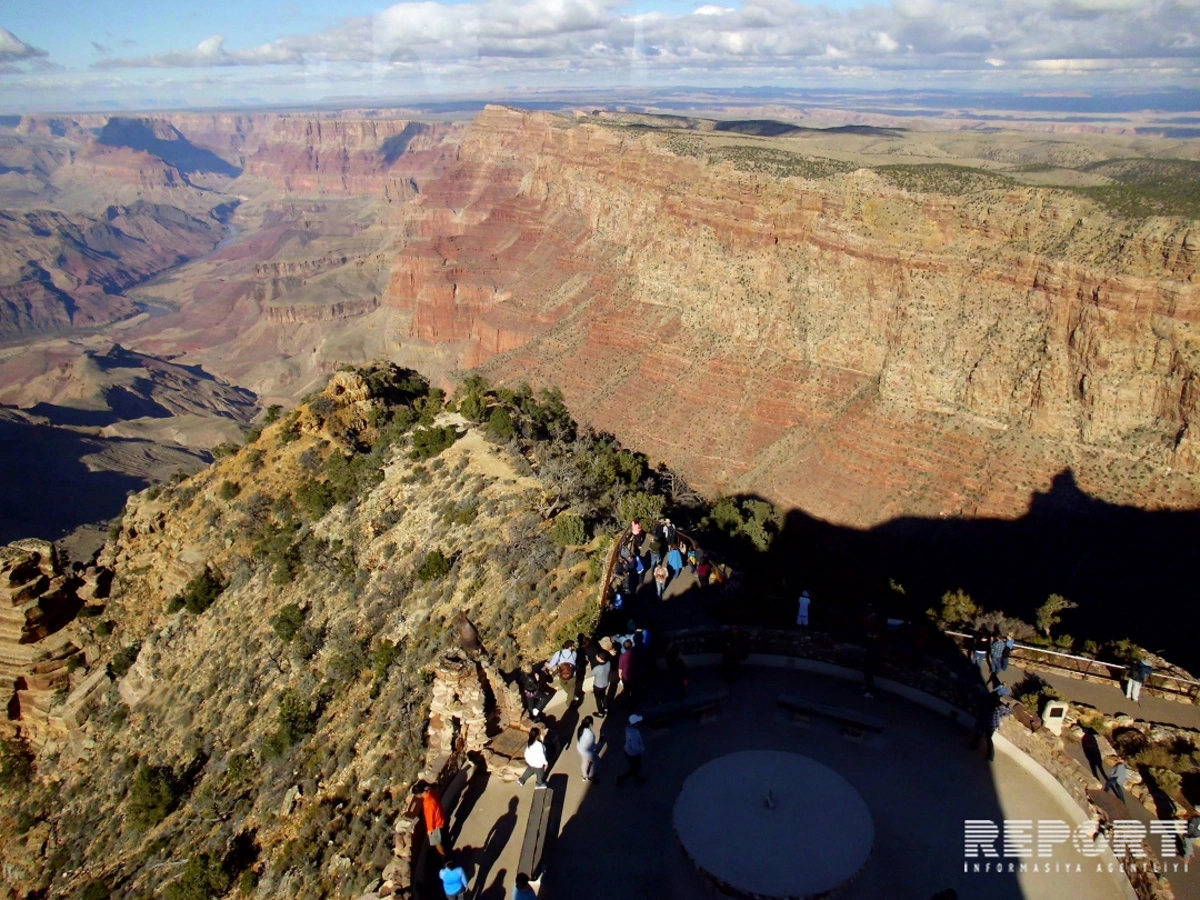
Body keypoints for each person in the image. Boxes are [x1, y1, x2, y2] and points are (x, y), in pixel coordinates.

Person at [970, 687, 1012, 762]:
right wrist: (1001, 715)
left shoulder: (986, 703)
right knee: (988, 739)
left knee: (978, 734)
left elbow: (981, 708)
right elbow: (1009, 712)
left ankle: (974, 746)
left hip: (984, 722)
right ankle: (990, 755)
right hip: (992, 725)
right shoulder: (999, 705)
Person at [413, 779, 447, 856]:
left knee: (436, 842)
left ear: (419, 794)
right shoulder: (430, 792)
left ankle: (444, 856)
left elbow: (430, 817)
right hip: (440, 817)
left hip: (436, 824)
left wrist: (430, 830)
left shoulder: (428, 803)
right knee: (443, 836)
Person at [616, 714, 646, 786]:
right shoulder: (633, 734)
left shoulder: (628, 728)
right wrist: (642, 750)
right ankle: (621, 778)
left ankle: (636, 778)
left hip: (628, 751)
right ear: (634, 724)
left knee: (635, 768)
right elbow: (636, 747)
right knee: (635, 768)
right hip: (633, 754)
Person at [576, 715, 599, 781]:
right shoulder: (591, 735)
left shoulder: (580, 728)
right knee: (593, 763)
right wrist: (600, 741)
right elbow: (593, 747)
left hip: (579, 748)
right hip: (586, 752)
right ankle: (590, 776)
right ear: (590, 724)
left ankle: (584, 776)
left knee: (584, 762)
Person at [591, 649, 612, 717]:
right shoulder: (608, 663)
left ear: (600, 659)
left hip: (598, 686)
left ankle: (600, 713)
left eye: (597, 656)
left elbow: (592, 674)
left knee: (598, 699)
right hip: (605, 683)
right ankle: (606, 709)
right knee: (604, 696)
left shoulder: (597, 668)